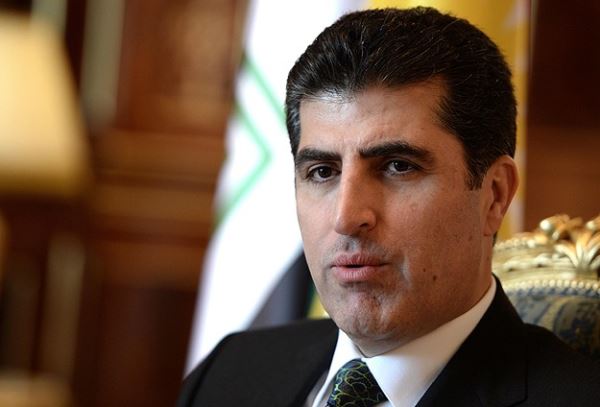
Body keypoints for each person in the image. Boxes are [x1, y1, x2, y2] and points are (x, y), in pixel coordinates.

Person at [178, 7, 600, 407]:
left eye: (398, 166)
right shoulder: (229, 373)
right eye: (322, 172)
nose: (346, 217)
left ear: (494, 195)